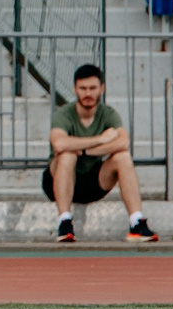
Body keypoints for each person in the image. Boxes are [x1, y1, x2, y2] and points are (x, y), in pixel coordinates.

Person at [45, 62, 157, 244]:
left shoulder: (108, 113)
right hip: (58, 180)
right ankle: (64, 221)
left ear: (102, 88)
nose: (88, 93)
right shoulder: (63, 114)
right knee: (66, 155)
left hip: (93, 181)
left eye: (92, 88)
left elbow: (123, 142)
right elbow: (58, 143)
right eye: (82, 88)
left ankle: (137, 222)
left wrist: (83, 150)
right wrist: (100, 139)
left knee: (123, 156)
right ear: (75, 89)